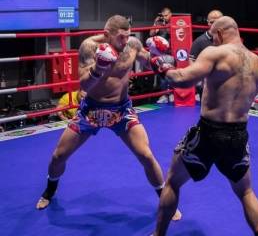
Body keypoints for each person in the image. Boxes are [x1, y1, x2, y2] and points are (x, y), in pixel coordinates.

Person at [35, 15, 181, 221]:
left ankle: (165, 201)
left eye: (128, 36)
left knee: (146, 155)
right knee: (58, 156)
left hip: (121, 110)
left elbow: (147, 62)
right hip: (92, 110)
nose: (125, 41)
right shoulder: (89, 47)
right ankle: (50, 190)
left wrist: (158, 58)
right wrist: (98, 68)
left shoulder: (132, 45)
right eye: (121, 37)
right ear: (107, 34)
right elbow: (84, 85)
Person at [150, 16, 258, 236]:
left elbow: (182, 79)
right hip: (239, 134)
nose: (212, 40)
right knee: (246, 192)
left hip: (210, 132)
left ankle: (158, 235)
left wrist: (162, 67)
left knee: (172, 182)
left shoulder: (215, 53)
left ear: (220, 33)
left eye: (213, 36)